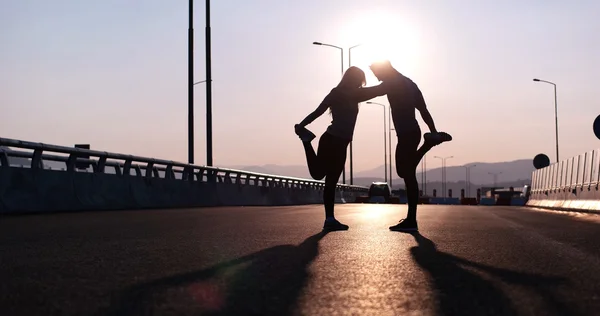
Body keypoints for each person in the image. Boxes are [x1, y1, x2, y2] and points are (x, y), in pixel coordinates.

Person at [295, 66, 386, 231]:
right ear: (354, 80)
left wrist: (302, 125)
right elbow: (318, 112)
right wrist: (302, 125)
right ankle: (307, 141)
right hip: (331, 140)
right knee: (320, 176)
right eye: (359, 81)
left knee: (328, 180)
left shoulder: (347, 93)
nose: (360, 84)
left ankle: (329, 219)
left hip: (340, 143)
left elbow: (379, 90)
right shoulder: (345, 93)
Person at [369, 60, 452, 232]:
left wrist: (350, 93)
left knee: (405, 173)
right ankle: (411, 220)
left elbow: (372, 92)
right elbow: (423, 110)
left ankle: (411, 220)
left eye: (377, 74)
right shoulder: (410, 83)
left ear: (384, 70)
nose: (377, 78)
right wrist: (433, 131)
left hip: (406, 134)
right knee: (407, 173)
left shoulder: (391, 82)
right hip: (413, 131)